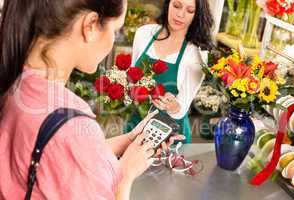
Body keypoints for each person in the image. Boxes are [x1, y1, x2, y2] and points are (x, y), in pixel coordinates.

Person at [0, 0, 183, 199]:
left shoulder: (16, 85)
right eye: (115, 30)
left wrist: (128, 140)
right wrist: (125, 174)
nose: (114, 39)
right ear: (91, 25)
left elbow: (58, 155)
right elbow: (71, 146)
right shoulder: (71, 128)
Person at [126, 0, 214, 143]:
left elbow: (182, 106)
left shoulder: (196, 53)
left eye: (190, 11)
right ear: (168, 4)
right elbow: (132, 76)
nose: (180, 14)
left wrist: (172, 106)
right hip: (135, 126)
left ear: (196, 15)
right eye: (177, 6)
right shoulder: (144, 34)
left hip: (169, 136)